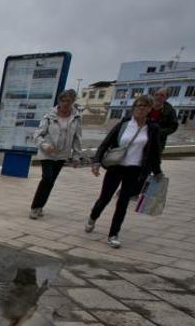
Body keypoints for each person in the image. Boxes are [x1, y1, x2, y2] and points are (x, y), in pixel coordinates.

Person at [85, 94, 163, 248]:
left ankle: (113, 234)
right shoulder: (125, 124)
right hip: (116, 167)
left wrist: (158, 172)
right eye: (139, 106)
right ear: (134, 108)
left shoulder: (153, 128)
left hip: (135, 170)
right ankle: (93, 218)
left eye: (145, 106)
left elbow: (154, 152)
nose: (141, 109)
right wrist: (96, 162)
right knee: (105, 198)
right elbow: (105, 143)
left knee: (123, 202)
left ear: (150, 109)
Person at [29, 89, 83, 219]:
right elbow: (37, 134)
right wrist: (44, 145)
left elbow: (77, 138)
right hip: (47, 153)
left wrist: (76, 156)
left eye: (68, 101)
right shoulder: (49, 116)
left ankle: (41, 206)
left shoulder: (76, 118)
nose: (65, 103)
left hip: (62, 155)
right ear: (59, 101)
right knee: (47, 178)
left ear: (73, 102)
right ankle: (35, 207)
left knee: (51, 181)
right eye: (62, 100)